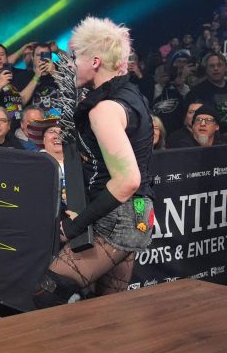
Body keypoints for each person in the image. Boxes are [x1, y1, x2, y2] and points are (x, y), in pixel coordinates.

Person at [33, 16, 154, 307]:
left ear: (96, 61)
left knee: (48, 293)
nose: (72, 64)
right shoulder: (131, 95)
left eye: (76, 57)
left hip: (118, 216)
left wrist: (76, 226)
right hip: (138, 213)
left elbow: (128, 180)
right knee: (108, 310)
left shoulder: (106, 109)